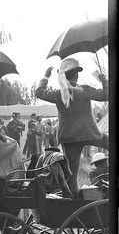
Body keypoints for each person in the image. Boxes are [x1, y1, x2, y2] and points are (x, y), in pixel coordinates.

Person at [35, 58, 109, 197]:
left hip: (69, 139)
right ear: (76, 75)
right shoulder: (84, 90)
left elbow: (39, 92)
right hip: (90, 134)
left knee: (72, 176)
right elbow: (107, 94)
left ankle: (74, 205)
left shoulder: (58, 94)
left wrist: (46, 76)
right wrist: (102, 78)